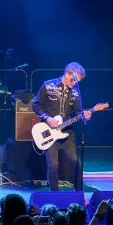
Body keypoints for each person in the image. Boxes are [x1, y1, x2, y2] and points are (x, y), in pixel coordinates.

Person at [32, 62, 90, 191]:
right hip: (50, 131)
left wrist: (85, 115)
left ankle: (79, 192)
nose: (74, 83)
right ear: (67, 74)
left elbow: (77, 111)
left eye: (77, 81)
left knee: (75, 162)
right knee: (53, 166)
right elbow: (36, 105)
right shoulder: (48, 86)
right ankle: (54, 194)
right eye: (73, 80)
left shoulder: (75, 92)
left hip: (67, 132)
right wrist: (47, 118)